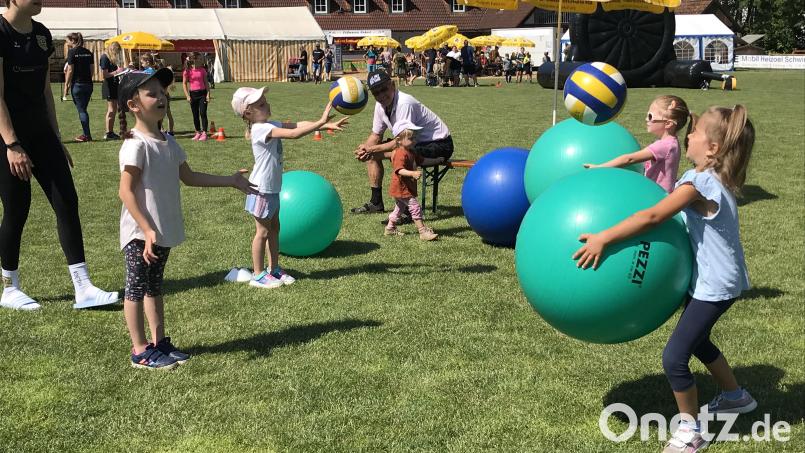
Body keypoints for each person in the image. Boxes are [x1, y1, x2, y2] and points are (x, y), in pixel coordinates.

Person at [573, 105, 757, 453]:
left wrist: (605, 237)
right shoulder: (717, 179)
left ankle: (691, 431)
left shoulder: (699, 182)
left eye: (696, 132)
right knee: (699, 342)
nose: (688, 135)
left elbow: (654, 215)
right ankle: (736, 396)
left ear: (713, 149)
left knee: (674, 357)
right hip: (722, 282)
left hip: (714, 287)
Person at [117, 68, 257, 370]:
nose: (161, 97)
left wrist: (230, 180)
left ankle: (159, 342)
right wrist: (146, 229)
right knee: (136, 288)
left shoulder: (168, 140)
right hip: (140, 234)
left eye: (162, 91)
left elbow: (189, 177)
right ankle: (139, 349)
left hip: (160, 230)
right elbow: (125, 192)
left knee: (155, 288)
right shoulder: (136, 144)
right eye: (151, 92)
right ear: (133, 105)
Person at [1, 0, 119, 311]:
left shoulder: (41, 35)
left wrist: (56, 139)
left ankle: (84, 287)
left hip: (42, 135)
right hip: (8, 138)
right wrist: (12, 145)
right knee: (17, 207)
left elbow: (45, 92)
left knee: (66, 200)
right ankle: (9, 286)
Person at [231, 87, 348, 289]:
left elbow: (296, 124)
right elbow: (293, 134)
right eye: (260, 104)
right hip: (261, 189)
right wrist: (321, 122)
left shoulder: (267, 124)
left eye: (265, 101)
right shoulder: (260, 129)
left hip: (273, 188)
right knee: (262, 232)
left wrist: (326, 124)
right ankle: (258, 275)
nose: (266, 104)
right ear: (247, 113)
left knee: (275, 228)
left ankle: (273, 269)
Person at [352, 70, 453, 214]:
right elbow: (376, 134)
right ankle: (376, 203)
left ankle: (408, 210)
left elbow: (401, 141)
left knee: (399, 154)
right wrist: (364, 150)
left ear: (392, 85)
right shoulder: (380, 105)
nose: (381, 95)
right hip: (414, 144)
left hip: (440, 145)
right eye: (376, 93)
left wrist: (371, 149)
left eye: (384, 89)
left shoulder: (404, 103)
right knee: (374, 154)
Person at [584, 95, 690, 193]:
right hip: (658, 194)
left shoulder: (664, 146)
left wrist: (600, 168)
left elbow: (629, 159)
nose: (646, 119)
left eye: (650, 116)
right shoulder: (672, 142)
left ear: (668, 124)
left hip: (655, 197)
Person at [384, 121, 440, 240]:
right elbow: (399, 170)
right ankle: (422, 231)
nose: (414, 140)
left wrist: (438, 160)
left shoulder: (411, 152)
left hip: (405, 187)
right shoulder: (400, 153)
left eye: (415, 137)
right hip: (402, 187)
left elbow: (423, 161)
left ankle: (390, 228)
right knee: (415, 207)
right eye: (411, 138)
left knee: (399, 209)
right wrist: (412, 173)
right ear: (399, 140)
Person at [63, 32, 94, 142]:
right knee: (83, 109)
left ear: (73, 41)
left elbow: (70, 70)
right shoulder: (89, 53)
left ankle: (87, 135)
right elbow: (92, 71)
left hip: (78, 84)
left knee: (82, 111)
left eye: (67, 41)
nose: (66, 43)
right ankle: (85, 134)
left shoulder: (72, 52)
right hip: (88, 84)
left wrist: (66, 85)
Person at [182, 52, 211, 141]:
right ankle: (198, 132)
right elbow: (184, 84)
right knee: (195, 115)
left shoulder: (202, 70)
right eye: (199, 58)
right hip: (193, 95)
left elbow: (206, 82)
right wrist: (187, 96)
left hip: (202, 94)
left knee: (203, 113)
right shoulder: (187, 71)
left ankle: (204, 133)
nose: (201, 60)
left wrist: (208, 94)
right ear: (194, 60)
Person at [100, 41, 125, 140]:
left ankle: (110, 132)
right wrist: (116, 72)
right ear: (112, 49)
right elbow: (105, 75)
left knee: (114, 110)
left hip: (114, 85)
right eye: (117, 51)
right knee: (111, 110)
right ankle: (108, 133)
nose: (117, 54)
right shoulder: (104, 57)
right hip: (109, 86)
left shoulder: (111, 59)